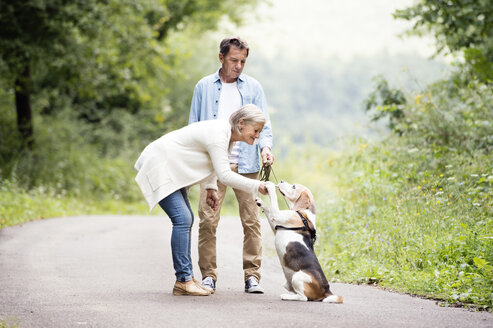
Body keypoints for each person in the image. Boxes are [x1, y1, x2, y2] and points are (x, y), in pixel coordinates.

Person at [134, 105, 269, 296]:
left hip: (172, 167)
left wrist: (210, 188)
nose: (257, 136)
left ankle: (186, 278)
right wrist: (257, 186)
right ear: (241, 123)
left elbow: (212, 164)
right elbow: (225, 175)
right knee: (182, 219)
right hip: (161, 164)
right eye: (255, 131)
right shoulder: (219, 134)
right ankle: (183, 280)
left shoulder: (226, 135)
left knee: (185, 218)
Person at [189, 37, 274, 294]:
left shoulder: (253, 87)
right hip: (213, 164)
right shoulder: (204, 86)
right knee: (208, 219)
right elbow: (194, 125)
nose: (238, 66)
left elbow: (264, 124)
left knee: (251, 221)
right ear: (221, 57)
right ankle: (208, 276)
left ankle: (252, 277)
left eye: (243, 61)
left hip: (246, 162)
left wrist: (265, 148)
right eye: (234, 60)